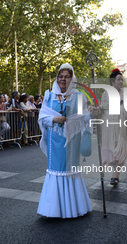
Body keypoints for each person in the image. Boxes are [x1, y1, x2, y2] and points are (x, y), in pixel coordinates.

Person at [37, 63, 92, 218]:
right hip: (54, 141)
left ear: (72, 78)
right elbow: (42, 117)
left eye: (67, 76)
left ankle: (73, 207)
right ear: (57, 78)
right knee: (56, 170)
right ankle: (53, 209)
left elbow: (84, 117)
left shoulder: (79, 96)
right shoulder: (49, 95)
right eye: (60, 76)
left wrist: (94, 113)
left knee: (70, 170)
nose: (63, 79)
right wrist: (54, 118)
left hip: (72, 141)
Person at [99, 69, 127, 185]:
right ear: (112, 82)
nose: (120, 82)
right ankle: (102, 169)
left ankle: (116, 175)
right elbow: (103, 108)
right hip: (109, 128)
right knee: (107, 149)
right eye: (118, 79)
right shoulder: (106, 93)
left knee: (120, 150)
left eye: (121, 80)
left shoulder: (126, 94)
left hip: (121, 129)